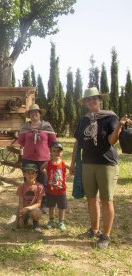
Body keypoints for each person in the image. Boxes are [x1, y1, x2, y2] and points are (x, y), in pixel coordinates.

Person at [70, 87, 131, 249]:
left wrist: (118, 126)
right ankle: (94, 230)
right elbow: (78, 142)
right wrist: (73, 163)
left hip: (106, 164)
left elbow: (111, 141)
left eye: (94, 98)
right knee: (91, 199)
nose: (91, 101)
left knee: (106, 200)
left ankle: (106, 236)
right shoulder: (84, 120)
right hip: (88, 163)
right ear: (85, 103)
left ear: (100, 100)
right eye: (88, 99)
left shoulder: (110, 117)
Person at [18, 104, 56, 211]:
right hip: (28, 159)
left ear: (40, 114)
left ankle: (43, 204)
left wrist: (52, 156)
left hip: (43, 159)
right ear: (29, 115)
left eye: (36, 112)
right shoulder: (25, 127)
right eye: (31, 112)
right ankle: (28, 203)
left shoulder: (47, 126)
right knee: (28, 181)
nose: (34, 114)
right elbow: (20, 141)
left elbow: (53, 141)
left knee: (43, 182)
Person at [40, 141, 70, 231]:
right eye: (54, 151)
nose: (56, 153)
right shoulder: (48, 163)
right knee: (51, 206)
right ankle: (51, 221)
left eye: (58, 151)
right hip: (51, 190)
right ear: (51, 152)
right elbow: (41, 168)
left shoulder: (63, 163)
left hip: (61, 191)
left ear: (62, 152)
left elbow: (72, 170)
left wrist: (65, 177)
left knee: (62, 207)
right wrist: (47, 175)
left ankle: (61, 222)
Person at [16, 164, 45, 233]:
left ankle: (36, 223)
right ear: (24, 174)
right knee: (13, 225)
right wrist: (20, 217)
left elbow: (38, 204)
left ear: (36, 175)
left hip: (33, 209)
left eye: (33, 173)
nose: (30, 175)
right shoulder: (21, 187)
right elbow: (20, 203)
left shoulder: (40, 187)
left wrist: (28, 208)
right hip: (23, 209)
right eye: (28, 173)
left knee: (37, 212)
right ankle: (24, 221)